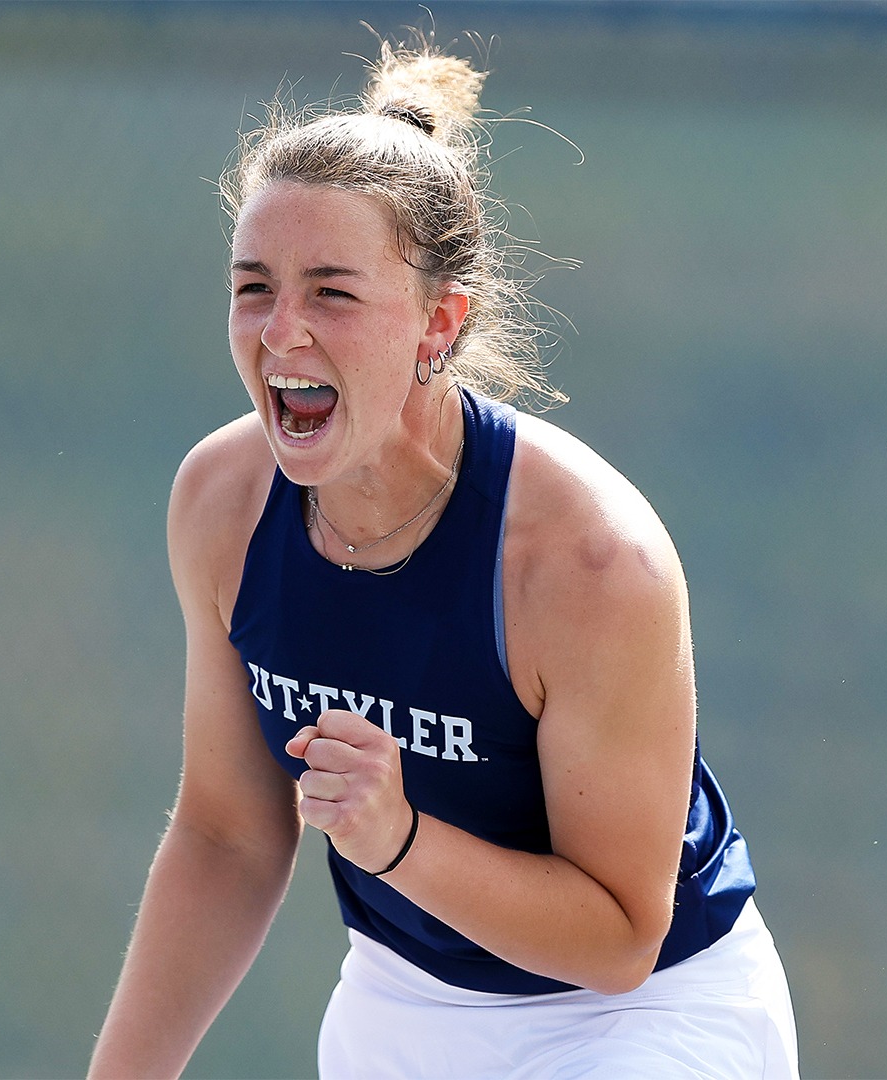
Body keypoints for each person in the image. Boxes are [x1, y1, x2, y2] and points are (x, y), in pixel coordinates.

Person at [90, 37, 799, 1078]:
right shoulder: (220, 503)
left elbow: (619, 939)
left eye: (332, 291)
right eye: (253, 287)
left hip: (646, 1016)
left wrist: (400, 840)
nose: (280, 331)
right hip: (403, 994)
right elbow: (229, 840)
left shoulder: (593, 563)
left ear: (439, 324)